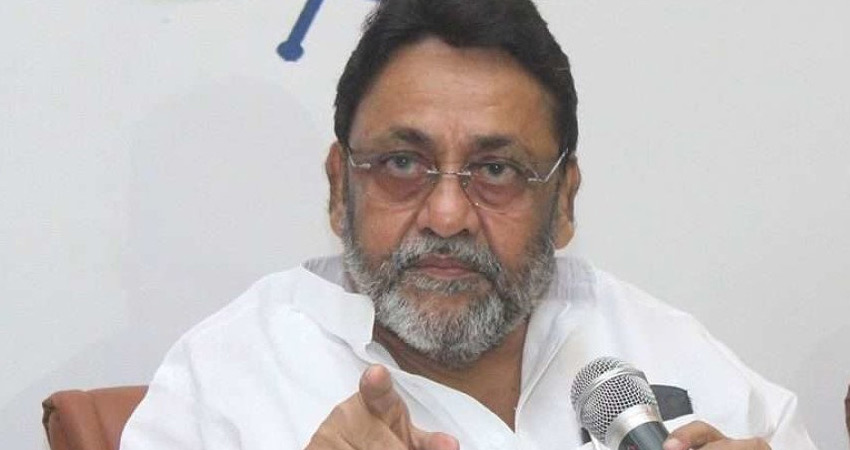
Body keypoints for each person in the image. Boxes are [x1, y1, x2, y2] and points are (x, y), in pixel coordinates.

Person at [120, 0, 818, 449]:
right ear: (339, 189)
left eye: (496, 170)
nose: (447, 215)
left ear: (564, 203)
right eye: (402, 163)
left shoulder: (659, 347)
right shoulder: (230, 382)